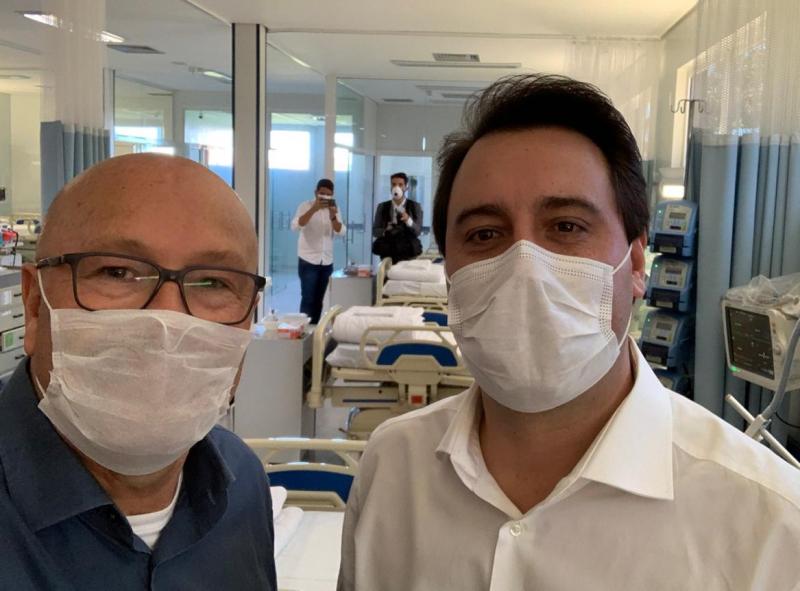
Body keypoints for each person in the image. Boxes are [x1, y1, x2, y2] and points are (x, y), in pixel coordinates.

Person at [339, 75, 800, 590]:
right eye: (484, 234)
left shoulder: (771, 528)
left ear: (636, 263)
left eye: (566, 226)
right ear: (449, 272)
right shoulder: (391, 468)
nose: (525, 268)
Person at [0, 154, 278, 590]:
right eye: (118, 272)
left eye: (213, 283)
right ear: (34, 304)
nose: (166, 321)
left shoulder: (242, 484)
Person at [291, 178, 345, 324]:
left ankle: (314, 331)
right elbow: (295, 225)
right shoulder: (305, 206)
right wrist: (313, 209)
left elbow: (341, 231)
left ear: (332, 195)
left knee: (319, 300)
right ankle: (303, 330)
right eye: (322, 193)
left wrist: (333, 216)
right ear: (316, 192)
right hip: (308, 260)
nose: (325, 197)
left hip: (326, 261)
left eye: (328, 194)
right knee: (308, 299)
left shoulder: (334, 208)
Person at [371, 172, 423, 263]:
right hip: (387, 254)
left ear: (406, 187)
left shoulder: (415, 206)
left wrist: (408, 220)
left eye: (400, 185)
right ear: (390, 187)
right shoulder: (382, 206)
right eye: (394, 184)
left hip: (408, 254)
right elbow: (375, 231)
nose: (396, 187)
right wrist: (385, 230)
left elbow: (417, 231)